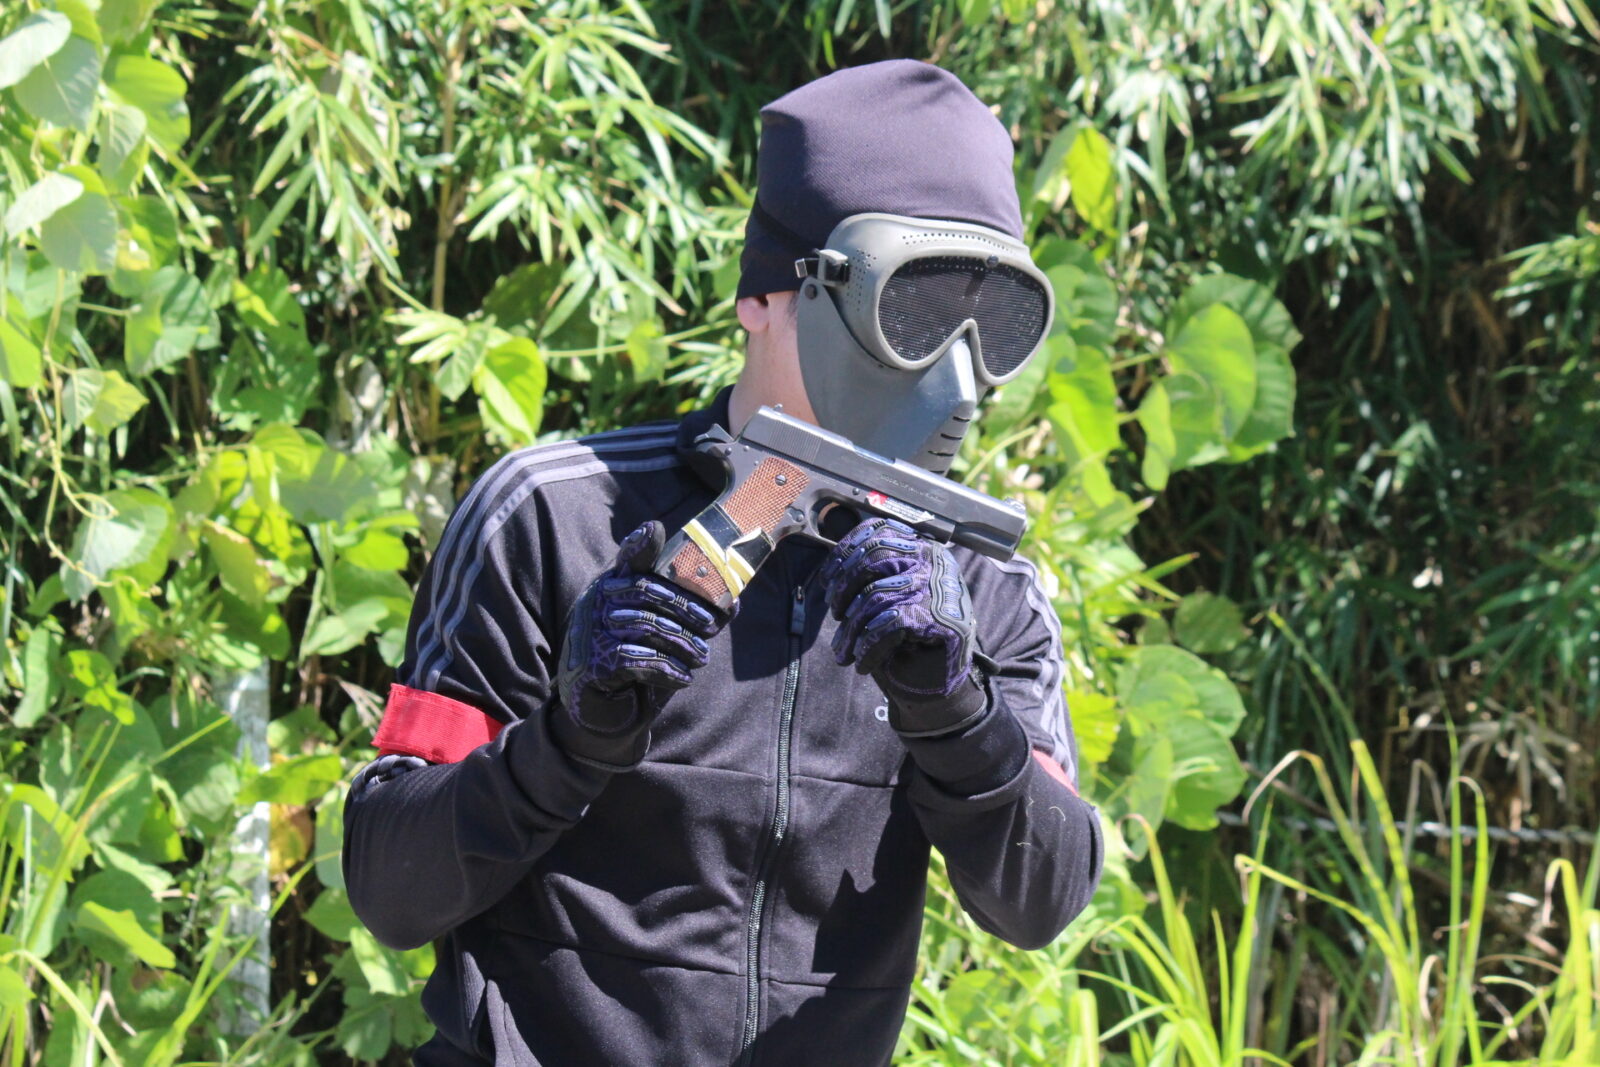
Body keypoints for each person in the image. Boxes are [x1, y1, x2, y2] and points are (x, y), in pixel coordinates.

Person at [343, 59, 1104, 1066]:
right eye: (914, 312)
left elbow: (1041, 900)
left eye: (994, 325)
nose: (955, 377)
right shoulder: (553, 516)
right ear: (766, 295)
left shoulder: (982, 588)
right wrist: (564, 743)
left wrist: (957, 715)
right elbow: (390, 889)